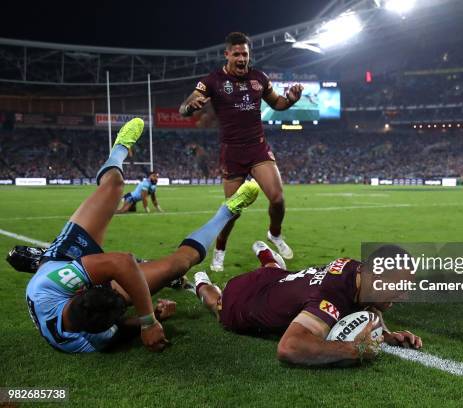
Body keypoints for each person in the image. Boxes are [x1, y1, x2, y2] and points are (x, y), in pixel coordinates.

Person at [25, 118, 260, 353]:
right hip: (80, 291)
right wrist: (150, 318)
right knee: (179, 265)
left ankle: (120, 147)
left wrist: (148, 321)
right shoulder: (85, 342)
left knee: (114, 186)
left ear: (80, 291)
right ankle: (229, 210)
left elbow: (121, 262)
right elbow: (118, 330)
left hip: (64, 259)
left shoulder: (47, 286)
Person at [179, 31, 304, 272]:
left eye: (245, 54)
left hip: (257, 147)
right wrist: (189, 107)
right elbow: (185, 105)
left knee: (277, 198)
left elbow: (277, 104)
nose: (241, 58)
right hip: (232, 152)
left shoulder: (259, 78)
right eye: (236, 53)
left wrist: (291, 99)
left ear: (249, 55)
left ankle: (274, 234)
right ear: (227, 54)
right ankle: (220, 248)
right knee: (232, 210)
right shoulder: (212, 81)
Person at [192, 242, 423, 366]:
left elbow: (368, 305)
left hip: (280, 281)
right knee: (218, 306)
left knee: (276, 273)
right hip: (244, 299)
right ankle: (200, 283)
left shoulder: (356, 269)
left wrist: (387, 335)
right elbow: (289, 347)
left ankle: (267, 257)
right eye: (399, 287)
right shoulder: (329, 297)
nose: (403, 295)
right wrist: (356, 349)